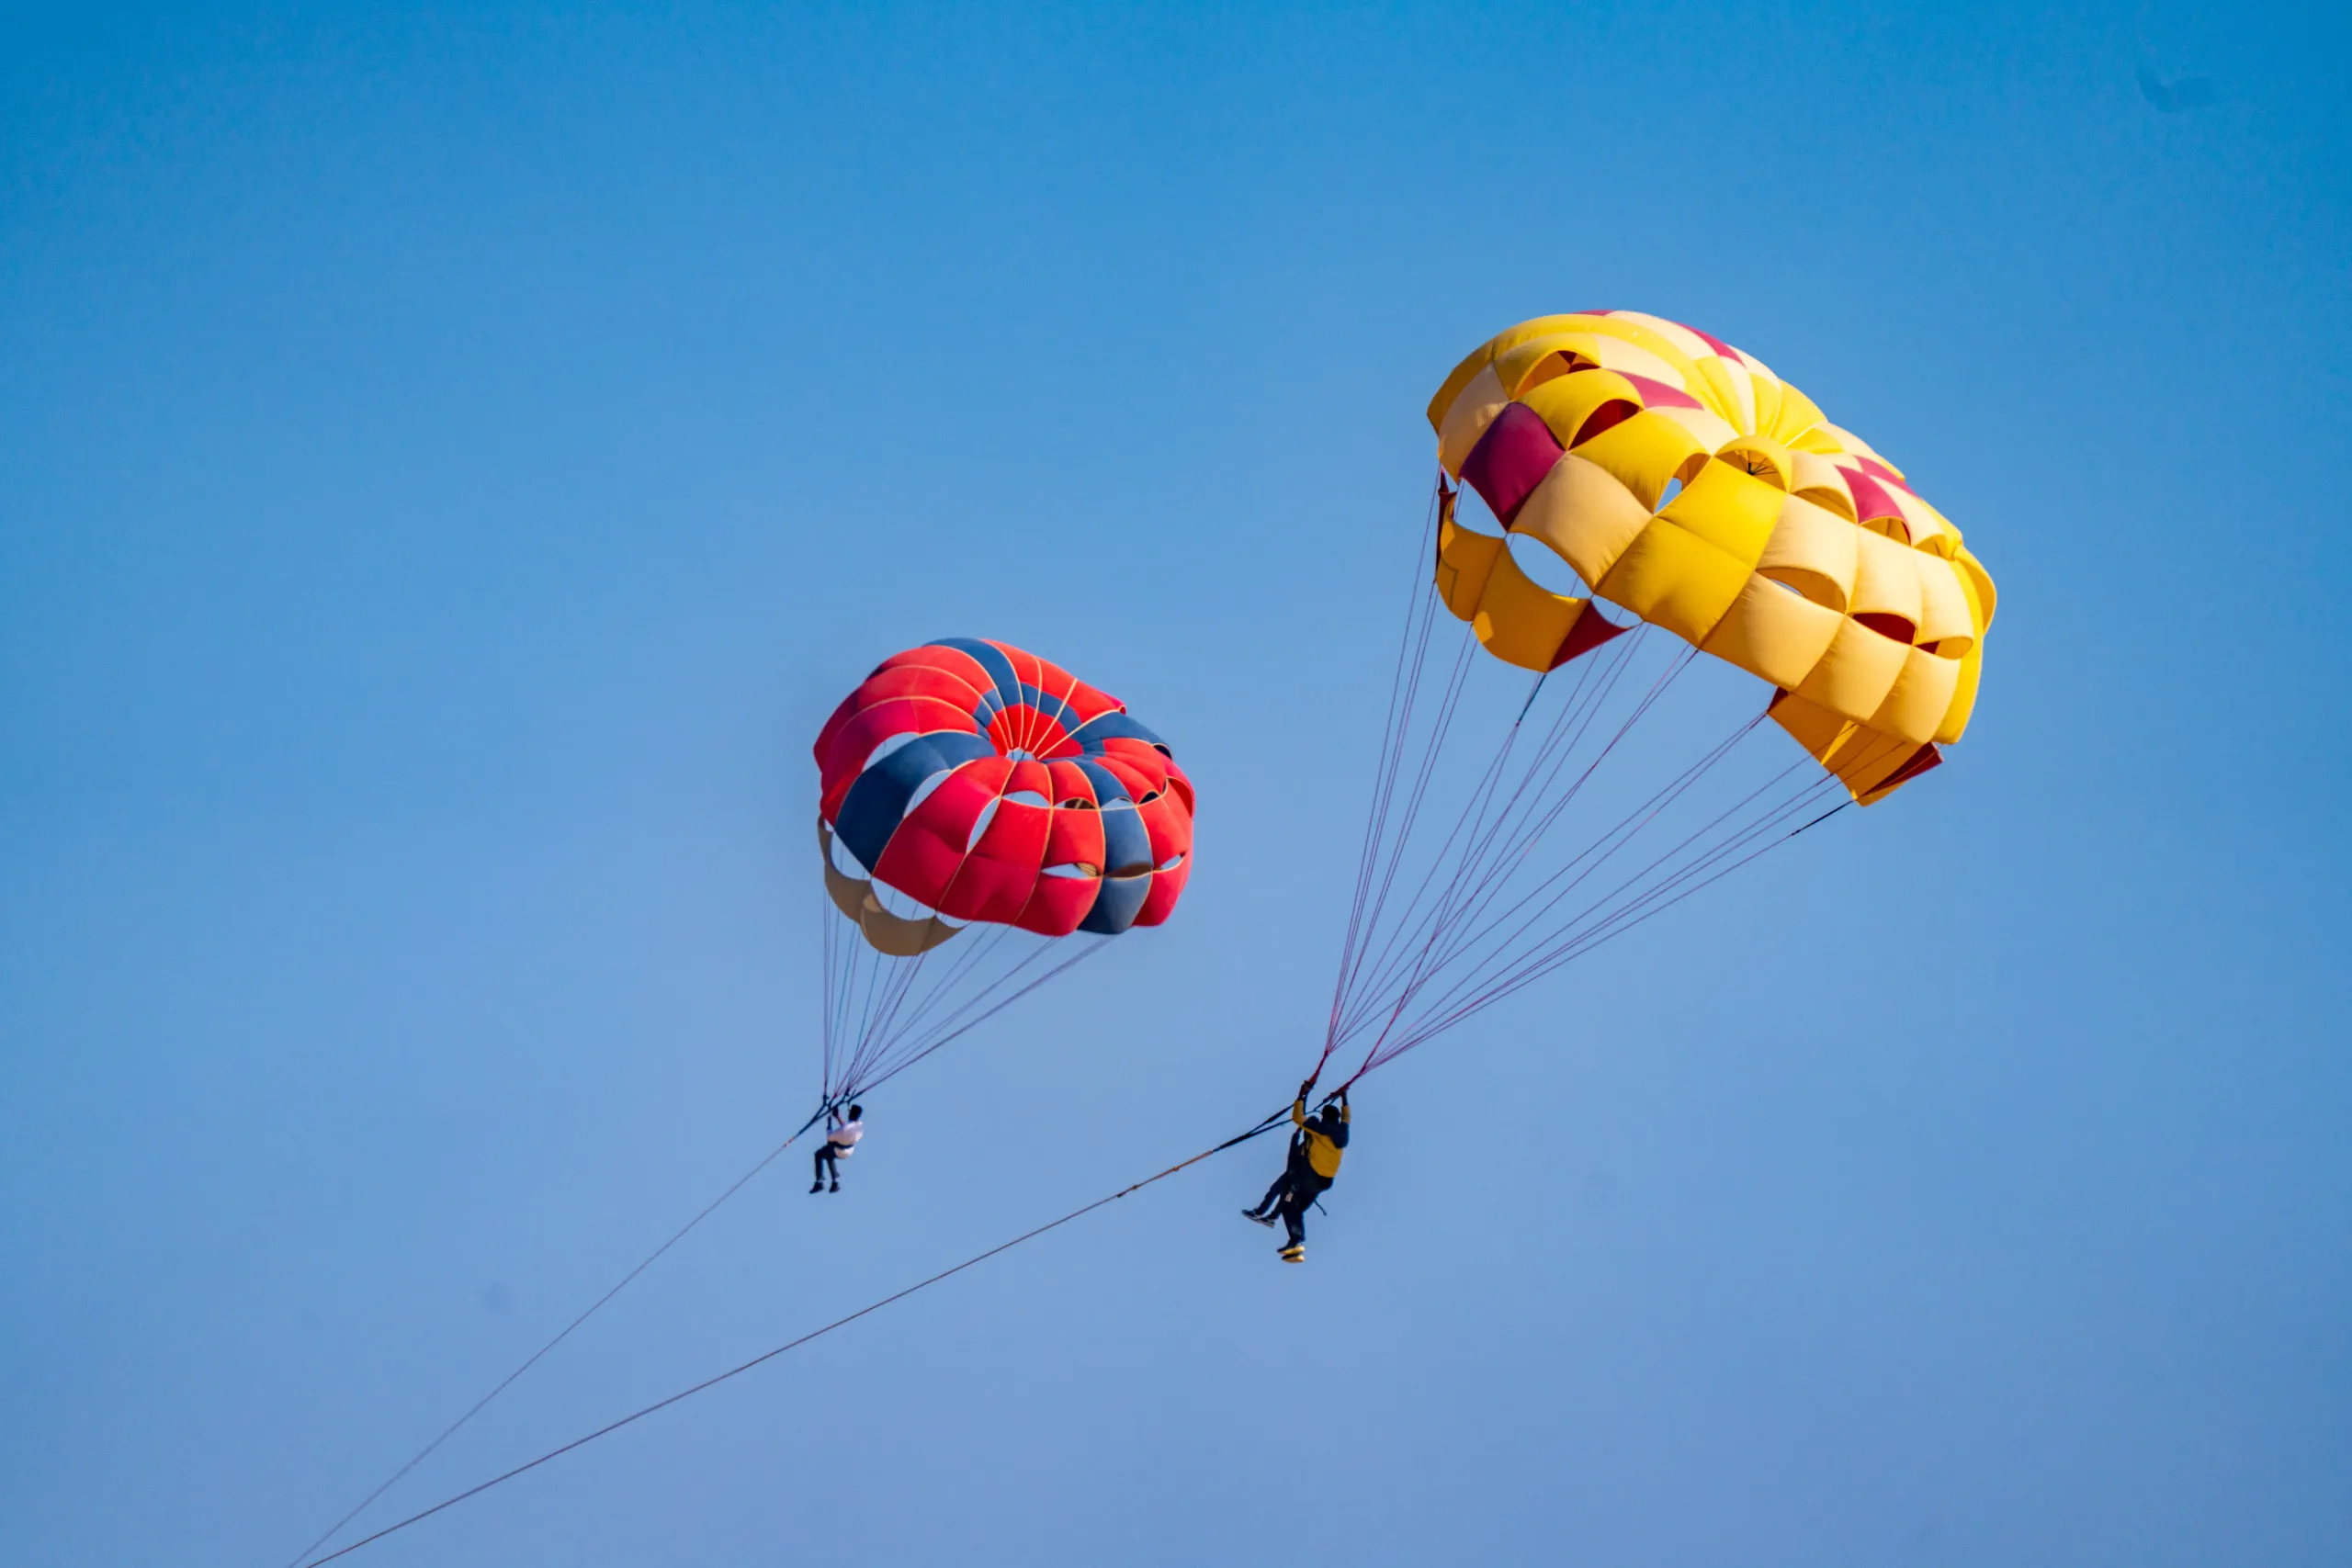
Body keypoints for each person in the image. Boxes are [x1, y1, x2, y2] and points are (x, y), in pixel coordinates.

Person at [1241, 1080, 1349, 1261]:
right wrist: (1344, 1098)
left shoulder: (1319, 1127)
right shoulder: (1343, 1131)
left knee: (1286, 1195)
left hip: (1308, 1175)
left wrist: (1302, 1094)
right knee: (1292, 1207)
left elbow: (1298, 1118)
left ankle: (1268, 1217)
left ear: (1324, 1117)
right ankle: (1295, 1242)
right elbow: (1347, 1119)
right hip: (1323, 1182)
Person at [810, 1103, 862, 1193]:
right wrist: (838, 1117)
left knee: (818, 1154)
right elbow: (847, 1128)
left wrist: (829, 1124)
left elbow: (829, 1137)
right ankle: (835, 1183)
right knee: (829, 1155)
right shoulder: (860, 1126)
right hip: (849, 1151)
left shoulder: (843, 1131)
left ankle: (819, 1182)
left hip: (839, 1151)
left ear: (850, 1114)